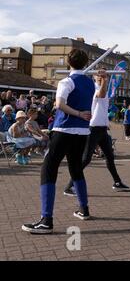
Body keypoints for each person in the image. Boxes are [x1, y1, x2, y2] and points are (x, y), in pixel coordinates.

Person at [22, 49, 95, 234]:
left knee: (48, 169)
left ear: (68, 63)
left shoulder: (66, 81)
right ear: (86, 63)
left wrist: (77, 113)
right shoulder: (90, 83)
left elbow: (59, 104)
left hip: (64, 129)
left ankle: (46, 220)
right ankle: (84, 209)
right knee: (76, 169)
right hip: (82, 132)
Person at [63, 71, 130, 197]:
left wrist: (106, 122)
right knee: (86, 159)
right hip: (92, 129)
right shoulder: (93, 88)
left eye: (104, 75)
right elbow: (101, 94)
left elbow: (103, 104)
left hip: (102, 129)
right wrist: (105, 80)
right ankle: (69, 186)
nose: (101, 77)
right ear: (94, 77)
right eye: (99, 75)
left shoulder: (103, 88)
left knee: (110, 157)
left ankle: (117, 182)